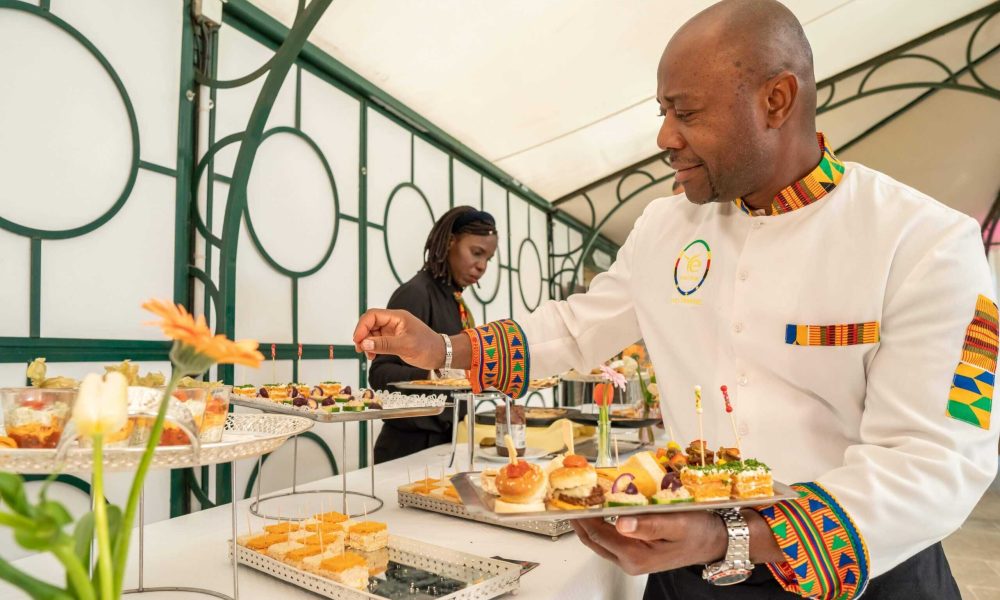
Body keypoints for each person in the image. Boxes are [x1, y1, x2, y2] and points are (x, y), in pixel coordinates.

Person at [353, 1, 999, 598]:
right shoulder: (666, 227)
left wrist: (732, 535)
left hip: (867, 576)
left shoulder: (926, 244)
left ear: (777, 101)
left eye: (686, 113)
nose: (664, 137)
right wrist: (440, 346)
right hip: (690, 576)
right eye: (662, 111)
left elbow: (936, 461)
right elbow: (577, 329)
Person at [369, 205, 498, 463]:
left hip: (446, 441)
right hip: (409, 447)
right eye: (476, 253)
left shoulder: (455, 300)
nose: (482, 266)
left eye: (488, 259)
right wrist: (437, 374)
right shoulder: (416, 293)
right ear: (450, 242)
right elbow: (380, 374)